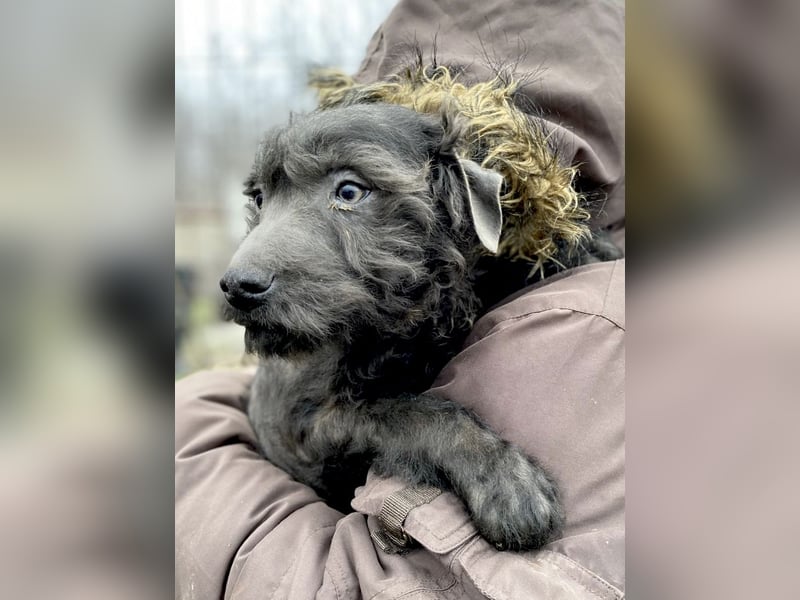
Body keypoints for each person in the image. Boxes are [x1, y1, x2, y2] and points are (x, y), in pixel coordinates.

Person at [176, 0, 624, 597]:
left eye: (349, 190)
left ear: (467, 194)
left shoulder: (585, 319)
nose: (243, 265)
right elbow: (315, 416)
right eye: (263, 198)